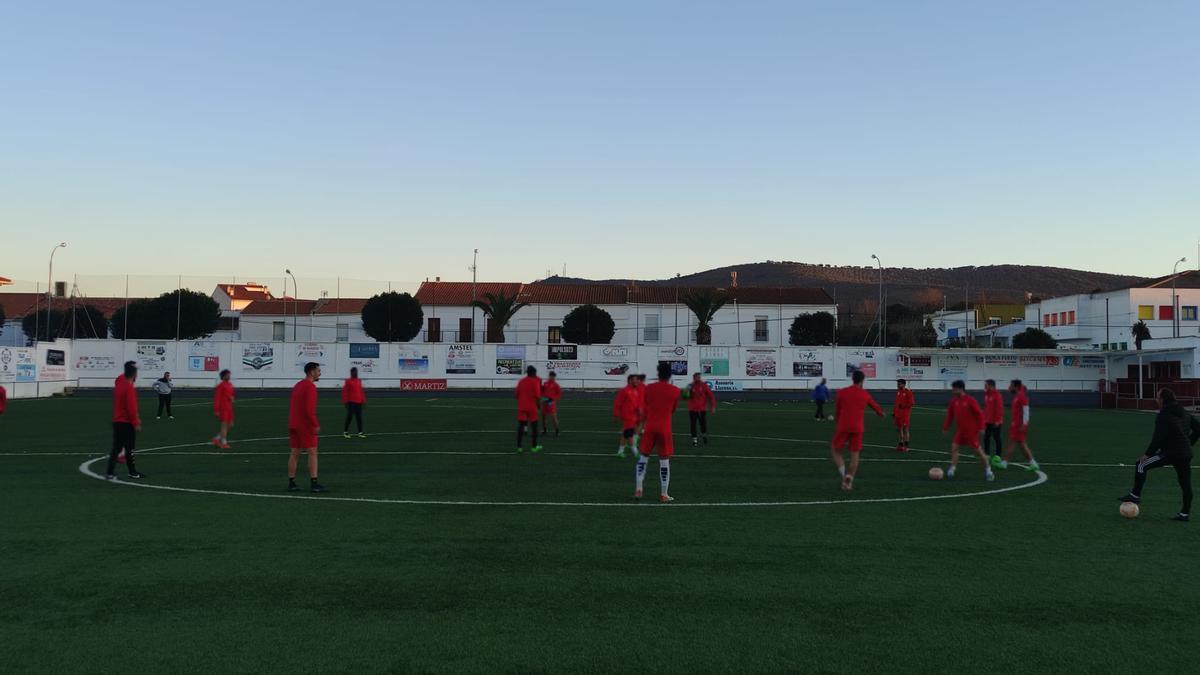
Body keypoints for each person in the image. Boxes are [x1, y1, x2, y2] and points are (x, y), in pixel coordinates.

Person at [1119, 387, 1196, 522]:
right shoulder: (1184, 412)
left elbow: (1158, 437)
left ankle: (1135, 495)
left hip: (1171, 453)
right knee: (1185, 484)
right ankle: (1185, 514)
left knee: (1141, 464)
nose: (1156, 399)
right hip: (1185, 453)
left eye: (1157, 396)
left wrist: (1147, 454)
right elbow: (1198, 429)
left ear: (1162, 400)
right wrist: (1189, 443)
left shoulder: (1163, 415)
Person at [831, 370, 884, 491]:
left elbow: (838, 410)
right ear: (862, 380)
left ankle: (844, 475)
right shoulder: (865, 394)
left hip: (844, 425)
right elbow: (874, 405)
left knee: (835, 449)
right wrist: (880, 413)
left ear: (852, 379)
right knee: (855, 455)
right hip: (858, 427)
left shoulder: (842, 392)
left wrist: (838, 420)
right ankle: (849, 480)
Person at [636, 362, 681, 502]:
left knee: (643, 458)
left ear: (658, 373)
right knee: (664, 460)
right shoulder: (675, 390)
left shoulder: (649, 388)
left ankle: (638, 489)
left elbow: (645, 406)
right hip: (664, 428)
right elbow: (673, 410)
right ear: (670, 375)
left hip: (650, 426)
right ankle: (664, 493)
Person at [942, 380, 993, 481]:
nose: (953, 391)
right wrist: (945, 427)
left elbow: (979, 414)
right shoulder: (953, 401)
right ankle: (952, 468)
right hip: (960, 431)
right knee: (954, 448)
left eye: (954, 389)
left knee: (978, 452)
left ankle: (988, 471)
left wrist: (981, 427)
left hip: (971, 432)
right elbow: (950, 416)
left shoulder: (970, 400)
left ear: (961, 389)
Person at [288, 362, 325, 493]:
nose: (320, 373)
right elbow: (309, 410)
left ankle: (291, 482)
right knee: (313, 452)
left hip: (294, 424)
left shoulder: (298, 385)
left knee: (294, 453)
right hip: (305, 425)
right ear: (311, 372)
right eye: (318, 371)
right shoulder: (310, 387)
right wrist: (315, 424)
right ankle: (314, 483)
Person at [107, 361, 144, 480]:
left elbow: (119, 378)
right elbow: (131, 408)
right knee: (129, 449)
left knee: (116, 448)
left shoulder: (119, 385)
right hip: (126, 423)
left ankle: (110, 472)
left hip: (117, 421)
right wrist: (136, 422)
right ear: (134, 373)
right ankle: (132, 472)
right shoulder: (129, 388)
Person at [994, 379, 1040, 472]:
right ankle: (1033, 463)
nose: (1009, 387)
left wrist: (1024, 424)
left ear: (1016, 387)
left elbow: (1026, 410)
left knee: (1012, 444)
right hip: (1016, 425)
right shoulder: (1017, 396)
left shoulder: (1021, 396)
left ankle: (1004, 463)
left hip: (1019, 426)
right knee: (1022, 445)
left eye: (1011, 386)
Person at [613, 374, 643, 458]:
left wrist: (639, 410)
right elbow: (617, 403)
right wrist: (615, 414)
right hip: (627, 416)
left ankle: (620, 451)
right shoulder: (624, 391)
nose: (637, 381)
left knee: (626, 434)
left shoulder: (635, 390)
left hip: (633, 416)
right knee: (629, 434)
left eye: (637, 380)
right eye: (635, 380)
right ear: (630, 381)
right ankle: (635, 452)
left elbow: (635, 403)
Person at [515, 365, 543, 453]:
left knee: (521, 427)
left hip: (522, 406)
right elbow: (538, 396)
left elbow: (516, 394)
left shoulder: (521, 381)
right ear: (534, 373)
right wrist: (538, 406)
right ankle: (534, 447)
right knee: (534, 427)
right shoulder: (535, 382)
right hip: (532, 407)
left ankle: (519, 447)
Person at [687, 372, 716, 446]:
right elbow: (685, 396)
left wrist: (712, 406)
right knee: (693, 424)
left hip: (702, 409)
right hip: (692, 409)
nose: (698, 378)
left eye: (699, 377)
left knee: (702, 424)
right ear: (694, 378)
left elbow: (711, 396)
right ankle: (694, 440)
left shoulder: (704, 385)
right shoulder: (690, 386)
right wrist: (687, 393)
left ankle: (704, 434)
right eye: (697, 377)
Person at [212, 369, 235, 449]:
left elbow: (231, 395)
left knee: (230, 425)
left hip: (229, 408)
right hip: (223, 408)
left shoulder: (230, 384)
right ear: (224, 376)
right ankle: (224, 442)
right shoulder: (220, 385)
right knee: (224, 425)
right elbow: (217, 398)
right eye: (228, 375)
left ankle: (217, 439)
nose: (229, 376)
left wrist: (231, 397)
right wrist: (216, 410)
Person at [342, 366, 366, 438]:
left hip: (359, 402)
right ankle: (345, 432)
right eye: (353, 372)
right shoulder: (348, 381)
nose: (355, 373)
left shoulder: (359, 381)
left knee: (359, 418)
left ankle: (360, 432)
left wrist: (363, 400)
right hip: (351, 402)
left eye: (356, 372)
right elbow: (345, 392)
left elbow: (361, 391)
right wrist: (345, 401)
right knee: (349, 417)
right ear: (351, 373)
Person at [982, 379, 1004, 458]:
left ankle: (998, 455)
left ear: (991, 385)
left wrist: (998, 420)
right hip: (987, 421)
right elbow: (986, 408)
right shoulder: (987, 395)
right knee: (986, 438)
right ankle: (987, 454)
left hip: (995, 421)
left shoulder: (997, 395)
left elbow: (999, 408)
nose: (985, 386)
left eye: (986, 385)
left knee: (996, 438)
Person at [893, 378, 915, 452]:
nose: (898, 385)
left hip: (905, 415)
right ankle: (901, 445)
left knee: (905, 429)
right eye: (897, 384)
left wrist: (903, 406)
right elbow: (896, 403)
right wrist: (894, 412)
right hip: (898, 415)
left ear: (903, 384)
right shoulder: (898, 392)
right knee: (899, 430)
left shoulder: (908, 392)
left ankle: (906, 446)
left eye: (899, 384)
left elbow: (912, 403)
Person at [541, 371, 562, 436]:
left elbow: (559, 394)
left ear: (554, 377)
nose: (552, 377)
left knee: (553, 417)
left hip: (551, 402)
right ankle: (545, 430)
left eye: (553, 376)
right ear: (549, 376)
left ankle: (557, 431)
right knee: (543, 417)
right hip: (545, 400)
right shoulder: (545, 383)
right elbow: (542, 391)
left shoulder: (556, 385)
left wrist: (553, 399)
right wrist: (542, 398)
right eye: (550, 376)